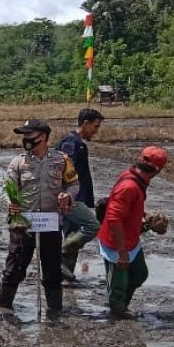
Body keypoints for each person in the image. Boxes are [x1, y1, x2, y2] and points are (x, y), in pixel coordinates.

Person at [0, 119, 78, 317]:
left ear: (43, 137)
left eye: (29, 135)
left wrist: (68, 196)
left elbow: (74, 184)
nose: (26, 139)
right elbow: (6, 189)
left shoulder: (61, 160)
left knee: (52, 271)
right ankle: (4, 308)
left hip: (50, 225)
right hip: (23, 225)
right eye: (24, 135)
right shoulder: (18, 162)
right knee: (14, 268)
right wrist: (9, 203)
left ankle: (55, 312)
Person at [97, 146, 168, 318]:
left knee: (139, 274)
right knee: (118, 283)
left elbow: (126, 209)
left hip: (130, 239)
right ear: (157, 171)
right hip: (116, 242)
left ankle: (123, 305)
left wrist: (145, 217)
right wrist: (122, 252)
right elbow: (114, 219)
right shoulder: (130, 185)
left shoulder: (135, 179)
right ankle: (117, 311)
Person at [56, 108, 104, 281]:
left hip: (72, 197)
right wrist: (66, 196)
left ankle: (63, 275)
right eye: (95, 126)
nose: (96, 131)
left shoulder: (78, 142)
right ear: (85, 123)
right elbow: (64, 169)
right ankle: (57, 258)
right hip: (70, 198)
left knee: (72, 233)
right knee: (92, 226)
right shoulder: (71, 142)